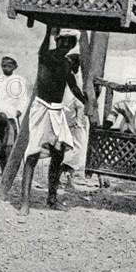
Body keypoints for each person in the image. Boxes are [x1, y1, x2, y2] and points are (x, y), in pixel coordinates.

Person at [19, 28, 86, 216]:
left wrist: (86, 100)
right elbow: (43, 46)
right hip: (41, 108)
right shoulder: (46, 56)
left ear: (73, 45)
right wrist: (49, 28)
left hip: (57, 110)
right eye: (63, 40)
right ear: (57, 41)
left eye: (70, 42)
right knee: (32, 154)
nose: (66, 44)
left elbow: (73, 87)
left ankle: (52, 198)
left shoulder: (67, 63)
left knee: (59, 153)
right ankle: (25, 203)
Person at [61, 53, 89, 188]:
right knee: (78, 142)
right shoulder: (69, 76)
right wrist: (85, 103)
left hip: (76, 110)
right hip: (71, 111)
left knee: (78, 143)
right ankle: (65, 169)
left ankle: (68, 174)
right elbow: (75, 91)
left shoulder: (80, 75)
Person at [0, 54, 27, 136]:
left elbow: (23, 97)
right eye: (4, 66)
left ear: (15, 66)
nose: (6, 68)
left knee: (11, 135)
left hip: (11, 113)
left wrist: (20, 109)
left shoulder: (19, 80)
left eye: (9, 66)